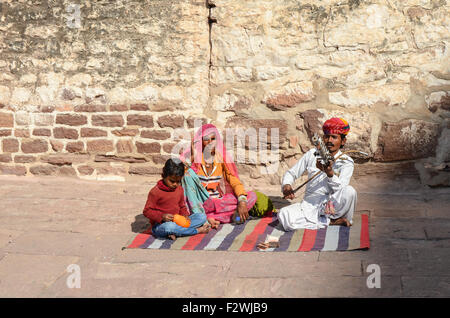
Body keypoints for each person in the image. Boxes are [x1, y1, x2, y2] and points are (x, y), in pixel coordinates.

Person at [278, 118, 357, 231]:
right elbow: (292, 173)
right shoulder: (312, 154)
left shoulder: (346, 161)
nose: (329, 140)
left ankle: (329, 219)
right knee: (283, 215)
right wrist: (286, 185)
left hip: (334, 205)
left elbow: (341, 190)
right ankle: (329, 222)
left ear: (343, 141)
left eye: (334, 137)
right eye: (326, 136)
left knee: (350, 192)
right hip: (310, 205)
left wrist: (330, 175)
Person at [180, 124, 257, 229]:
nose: (210, 143)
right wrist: (193, 156)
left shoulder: (221, 158)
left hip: (216, 202)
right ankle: (210, 217)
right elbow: (180, 176)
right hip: (199, 202)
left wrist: (242, 201)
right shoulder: (194, 158)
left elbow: (233, 180)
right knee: (188, 174)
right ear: (200, 141)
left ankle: (210, 217)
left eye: (213, 139)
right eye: (206, 139)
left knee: (251, 196)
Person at [142, 158, 211, 240]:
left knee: (202, 217)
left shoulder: (180, 189)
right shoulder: (155, 192)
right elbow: (147, 211)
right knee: (169, 227)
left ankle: (177, 232)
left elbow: (182, 206)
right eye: (172, 181)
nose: (175, 184)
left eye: (178, 181)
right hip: (161, 225)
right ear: (163, 175)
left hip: (178, 223)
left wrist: (185, 215)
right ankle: (196, 231)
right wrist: (161, 217)